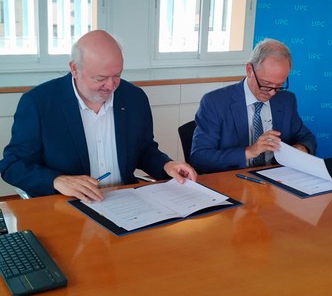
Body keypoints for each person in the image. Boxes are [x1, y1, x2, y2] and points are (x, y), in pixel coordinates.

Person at [0, 30, 196, 203]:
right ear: (74, 69)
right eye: (100, 78)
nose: (111, 86)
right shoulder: (39, 103)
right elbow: (12, 165)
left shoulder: (134, 98)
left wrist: (167, 165)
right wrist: (56, 180)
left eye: (117, 75)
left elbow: (143, 149)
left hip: (126, 200)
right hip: (67, 205)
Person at [191, 38, 316, 174]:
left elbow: (306, 138)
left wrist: (301, 148)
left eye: (279, 85)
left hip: (276, 180)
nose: (272, 92)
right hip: (233, 181)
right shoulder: (215, 102)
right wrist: (249, 151)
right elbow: (200, 158)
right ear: (249, 70)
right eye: (266, 84)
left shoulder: (286, 100)